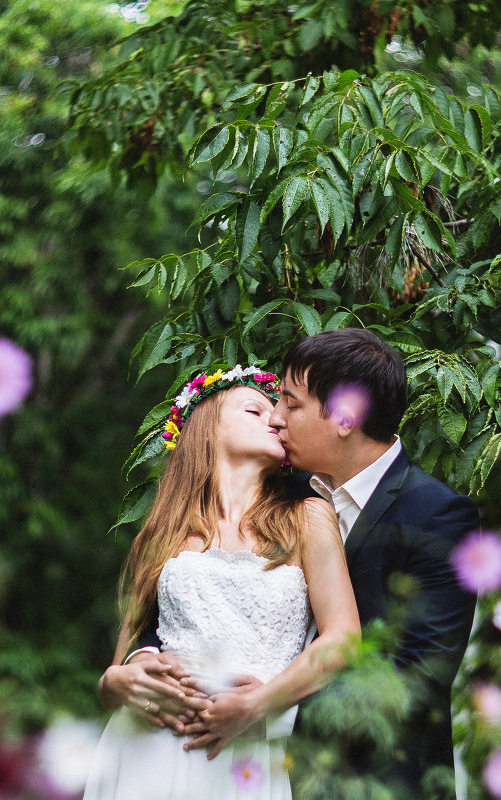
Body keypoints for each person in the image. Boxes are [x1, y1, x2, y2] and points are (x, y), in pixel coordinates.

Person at [104, 330, 479, 799]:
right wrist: (136, 666)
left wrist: (264, 705)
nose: (276, 420)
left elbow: (416, 679)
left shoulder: (436, 515)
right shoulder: (283, 491)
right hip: (197, 755)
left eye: (291, 404)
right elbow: (183, 597)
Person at [84, 365, 361, 800]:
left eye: (280, 412)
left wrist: (259, 704)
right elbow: (122, 664)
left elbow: (343, 639)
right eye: (255, 409)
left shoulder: (308, 518)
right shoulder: (162, 534)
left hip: (244, 750)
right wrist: (112, 684)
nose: (275, 419)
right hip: (146, 747)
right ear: (206, 430)